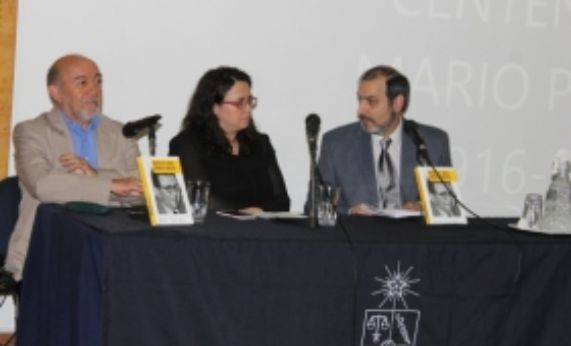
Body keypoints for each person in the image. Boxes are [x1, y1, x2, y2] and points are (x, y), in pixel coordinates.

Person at [0, 54, 142, 289]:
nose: (94, 90)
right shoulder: (31, 132)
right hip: (48, 247)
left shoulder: (121, 133)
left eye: (98, 81)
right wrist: (111, 186)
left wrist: (95, 176)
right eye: (82, 82)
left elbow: (140, 189)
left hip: (111, 246)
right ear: (56, 92)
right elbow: (43, 186)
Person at [316, 65, 452, 215]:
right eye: (360, 100)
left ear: (397, 103)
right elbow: (314, 206)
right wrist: (350, 213)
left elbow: (447, 207)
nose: (361, 110)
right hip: (360, 236)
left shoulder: (434, 142)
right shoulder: (335, 144)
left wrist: (423, 208)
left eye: (372, 101)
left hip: (414, 237)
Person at [169, 66, 290, 212]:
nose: (248, 109)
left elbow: (282, 201)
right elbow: (199, 200)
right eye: (240, 103)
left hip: (264, 230)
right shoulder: (187, 144)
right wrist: (243, 213)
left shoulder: (261, 143)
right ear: (214, 106)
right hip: (215, 232)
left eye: (249, 101)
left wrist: (259, 212)